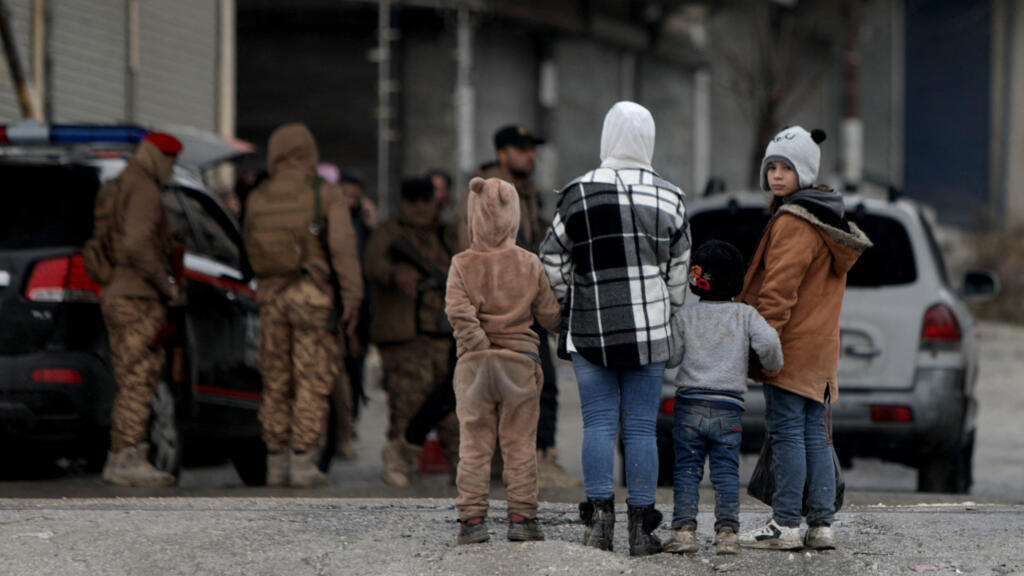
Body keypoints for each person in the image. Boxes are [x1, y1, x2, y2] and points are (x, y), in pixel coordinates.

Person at [540, 101, 690, 556]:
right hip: (649, 333)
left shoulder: (576, 194)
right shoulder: (671, 197)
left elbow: (550, 261)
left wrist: (571, 303)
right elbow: (680, 272)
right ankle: (642, 530)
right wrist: (665, 303)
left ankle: (598, 523)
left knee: (599, 424)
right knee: (642, 429)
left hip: (590, 330)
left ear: (607, 137)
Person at [737, 126, 870, 550]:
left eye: (786, 168)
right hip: (819, 351)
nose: (776, 176)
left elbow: (778, 291)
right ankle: (821, 524)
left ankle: (787, 523)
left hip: (789, 348)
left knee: (789, 433)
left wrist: (764, 342)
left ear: (805, 173)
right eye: (771, 167)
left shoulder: (794, 221)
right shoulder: (829, 219)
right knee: (816, 435)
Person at [459, 124, 580, 489]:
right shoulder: (489, 190)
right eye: (523, 148)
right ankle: (410, 444)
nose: (532, 155)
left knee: (535, 381)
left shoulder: (526, 193)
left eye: (532, 148)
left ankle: (539, 457)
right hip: (498, 304)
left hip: (524, 302)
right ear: (503, 153)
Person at [244, 123, 363, 488]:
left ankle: (276, 461)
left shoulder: (258, 195)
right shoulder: (322, 193)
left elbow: (246, 245)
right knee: (312, 379)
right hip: (311, 296)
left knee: (276, 379)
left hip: (270, 297)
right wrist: (352, 298)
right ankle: (302, 460)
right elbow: (343, 249)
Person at [446, 177, 563, 545]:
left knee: (475, 446)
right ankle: (522, 518)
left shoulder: (461, 263)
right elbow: (550, 317)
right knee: (519, 445)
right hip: (520, 363)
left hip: (474, 366)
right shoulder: (529, 263)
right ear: (513, 216)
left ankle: (472, 521)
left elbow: (457, 310)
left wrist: (478, 343)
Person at [662, 240, 783, 556]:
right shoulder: (745, 315)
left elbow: (671, 358)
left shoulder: (685, 315)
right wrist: (772, 366)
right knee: (726, 471)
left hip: (688, 405)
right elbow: (769, 341)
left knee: (687, 469)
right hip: (728, 407)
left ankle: (684, 532)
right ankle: (727, 534)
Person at [100, 132, 185, 487]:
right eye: (171, 162)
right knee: (138, 377)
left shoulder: (119, 184)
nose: (172, 170)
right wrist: (167, 285)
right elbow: (138, 243)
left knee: (129, 375)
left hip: (117, 291)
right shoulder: (145, 189)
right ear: (161, 157)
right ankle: (127, 456)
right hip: (138, 297)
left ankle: (125, 453)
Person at [365, 177, 458, 488]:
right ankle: (402, 465)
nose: (420, 205)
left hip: (443, 335)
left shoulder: (445, 234)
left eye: (425, 198)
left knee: (452, 411)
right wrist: (396, 274)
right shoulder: (390, 233)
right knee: (407, 404)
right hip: (405, 336)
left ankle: (464, 471)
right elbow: (373, 264)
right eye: (413, 198)